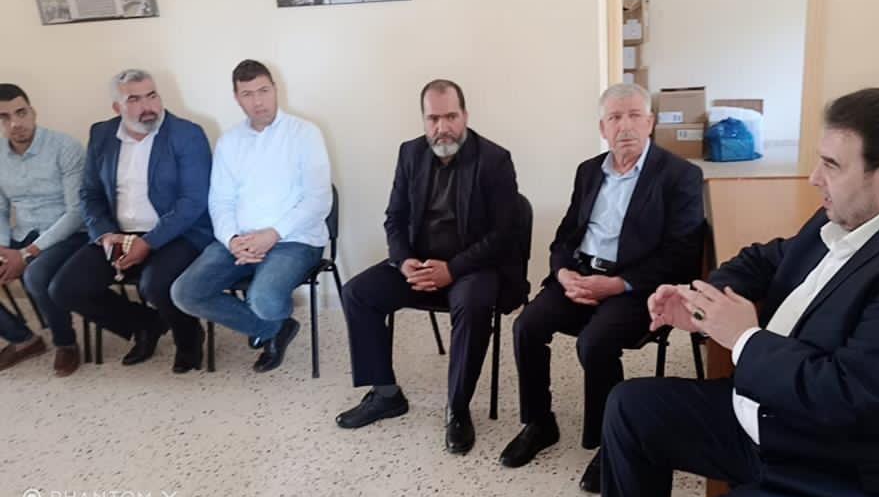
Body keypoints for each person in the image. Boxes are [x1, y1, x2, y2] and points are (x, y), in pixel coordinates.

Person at [602, 88, 879, 497]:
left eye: (831, 165)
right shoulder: (850, 211)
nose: (815, 177)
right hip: (784, 423)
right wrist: (704, 302)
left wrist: (743, 337)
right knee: (631, 408)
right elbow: (764, 259)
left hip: (859, 478)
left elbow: (852, 397)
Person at [500, 83, 704, 493]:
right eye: (615, 117)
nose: (625, 126)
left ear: (650, 122)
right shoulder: (589, 171)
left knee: (594, 343)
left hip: (637, 286)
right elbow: (565, 237)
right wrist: (562, 273)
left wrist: (617, 284)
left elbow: (681, 255)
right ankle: (539, 422)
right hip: (580, 274)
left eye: (634, 115)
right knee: (527, 326)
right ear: (602, 128)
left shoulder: (681, 176)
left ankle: (609, 443)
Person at [335, 79, 526, 456]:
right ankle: (386, 394)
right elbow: (394, 217)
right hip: (419, 264)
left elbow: (504, 235)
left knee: (472, 306)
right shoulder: (410, 153)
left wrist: (451, 269)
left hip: (472, 266)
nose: (443, 127)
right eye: (433, 118)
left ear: (465, 116)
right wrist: (404, 260)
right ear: (423, 121)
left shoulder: (494, 160)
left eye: (451, 116)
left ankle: (457, 408)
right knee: (357, 293)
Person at [171, 59, 331, 373]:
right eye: (248, 94)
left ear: (275, 89)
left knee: (263, 299)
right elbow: (220, 201)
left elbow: (318, 200)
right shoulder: (229, 142)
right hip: (240, 241)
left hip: (294, 240)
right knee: (184, 293)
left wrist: (272, 235)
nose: (258, 101)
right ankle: (274, 328)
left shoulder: (305, 133)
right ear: (237, 98)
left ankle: (266, 322)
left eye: (263, 91)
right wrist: (232, 239)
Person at [50, 69, 213, 373]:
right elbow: (90, 193)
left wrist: (148, 242)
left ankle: (189, 338)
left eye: (152, 96)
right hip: (118, 233)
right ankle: (145, 325)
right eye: (134, 99)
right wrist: (104, 235)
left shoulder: (186, 134)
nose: (147, 106)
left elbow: (193, 201)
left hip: (177, 233)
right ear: (117, 107)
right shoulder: (102, 134)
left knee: (156, 285)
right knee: (65, 288)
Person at [0, 83, 88, 376]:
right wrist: (3, 249)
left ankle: (66, 344)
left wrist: (26, 254)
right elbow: (1, 209)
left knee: (35, 276)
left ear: (33, 112)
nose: (16, 123)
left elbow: (76, 212)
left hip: (68, 233)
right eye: (4, 117)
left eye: (21, 112)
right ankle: (23, 339)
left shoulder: (65, 147)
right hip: (22, 232)